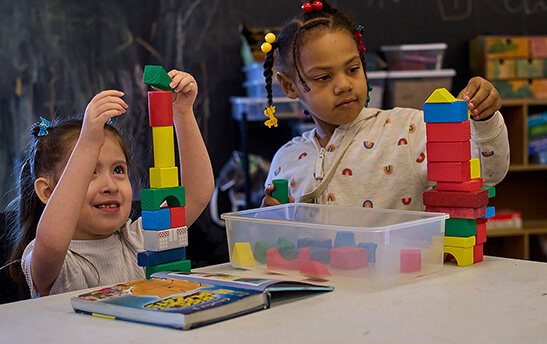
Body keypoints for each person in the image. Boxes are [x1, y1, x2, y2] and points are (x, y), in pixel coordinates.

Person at [261, 1, 509, 208]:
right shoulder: (286, 159)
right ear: (289, 86)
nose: (344, 85)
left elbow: (487, 173)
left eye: (353, 69)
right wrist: (268, 221)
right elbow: (281, 246)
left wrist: (484, 120)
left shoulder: (408, 131)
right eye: (323, 77)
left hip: (404, 268)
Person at [7, 70, 214, 298]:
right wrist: (87, 144)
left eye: (118, 170)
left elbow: (196, 196)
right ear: (48, 192)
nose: (110, 186)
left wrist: (182, 112)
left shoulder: (140, 239)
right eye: (89, 172)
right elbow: (53, 243)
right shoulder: (59, 260)